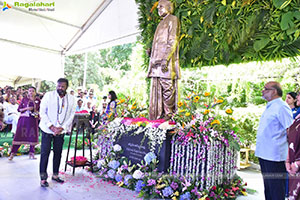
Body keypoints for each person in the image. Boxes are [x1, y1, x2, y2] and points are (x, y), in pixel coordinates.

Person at [255, 81, 293, 200]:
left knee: (276, 189)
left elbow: (290, 130)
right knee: (269, 188)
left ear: (274, 91)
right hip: (265, 154)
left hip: (275, 156)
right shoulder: (271, 106)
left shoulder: (281, 106)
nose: (262, 91)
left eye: (265, 88)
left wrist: (290, 156)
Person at [39, 78, 76, 187]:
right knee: (45, 153)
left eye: (62, 86)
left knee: (58, 153)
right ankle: (43, 178)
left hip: (61, 131)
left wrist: (62, 128)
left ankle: (55, 175)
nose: (60, 88)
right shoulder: (48, 96)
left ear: (66, 87)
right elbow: (42, 112)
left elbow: (71, 115)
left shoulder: (72, 99)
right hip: (47, 129)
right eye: (58, 86)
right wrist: (51, 126)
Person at [147, 0, 180, 120]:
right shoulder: (161, 23)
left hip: (165, 62)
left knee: (167, 88)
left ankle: (169, 114)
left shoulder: (172, 19)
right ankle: (158, 115)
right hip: (156, 63)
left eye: (161, 7)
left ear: (168, 7)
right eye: (158, 7)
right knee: (158, 90)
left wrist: (165, 59)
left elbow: (172, 41)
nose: (158, 9)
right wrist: (152, 53)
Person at [8, 86, 40, 160]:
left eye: (32, 91)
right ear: (28, 92)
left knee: (32, 136)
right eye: (29, 91)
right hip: (24, 120)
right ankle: (12, 153)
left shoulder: (38, 100)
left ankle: (32, 153)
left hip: (33, 120)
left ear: (35, 92)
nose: (31, 92)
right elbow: (19, 109)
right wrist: (27, 109)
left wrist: (36, 112)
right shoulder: (24, 99)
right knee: (19, 136)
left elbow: (40, 110)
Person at [286, 113, 300, 199]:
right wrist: (287, 160)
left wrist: (298, 163)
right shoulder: (297, 118)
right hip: (294, 168)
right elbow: (290, 140)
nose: (297, 98)